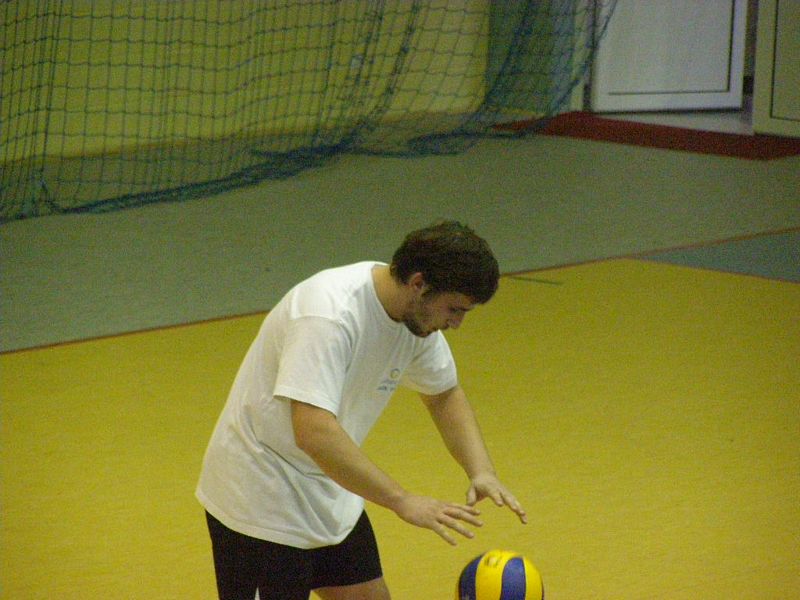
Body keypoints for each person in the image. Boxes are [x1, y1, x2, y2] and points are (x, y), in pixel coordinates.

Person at [196, 221, 527, 600]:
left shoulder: (415, 321)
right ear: (418, 283)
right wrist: (402, 500)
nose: (457, 323)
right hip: (260, 500)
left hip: (329, 487)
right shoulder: (328, 315)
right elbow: (313, 432)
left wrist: (481, 470)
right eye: (454, 309)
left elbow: (443, 394)